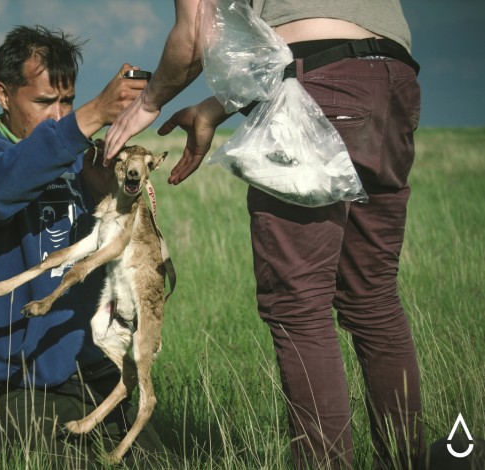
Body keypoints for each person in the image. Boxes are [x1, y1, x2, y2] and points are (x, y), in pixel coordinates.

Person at [105, 1, 423, 468]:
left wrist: (148, 103)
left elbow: (195, 34)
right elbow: (324, 41)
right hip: (392, 80)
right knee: (373, 298)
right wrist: (213, 109)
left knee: (299, 304)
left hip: (316, 86)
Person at [0, 25, 169, 466]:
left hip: (89, 375)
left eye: (67, 101)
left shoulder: (73, 160)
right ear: (3, 95)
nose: (58, 116)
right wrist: (90, 115)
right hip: (9, 385)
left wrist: (102, 194)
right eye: (44, 101)